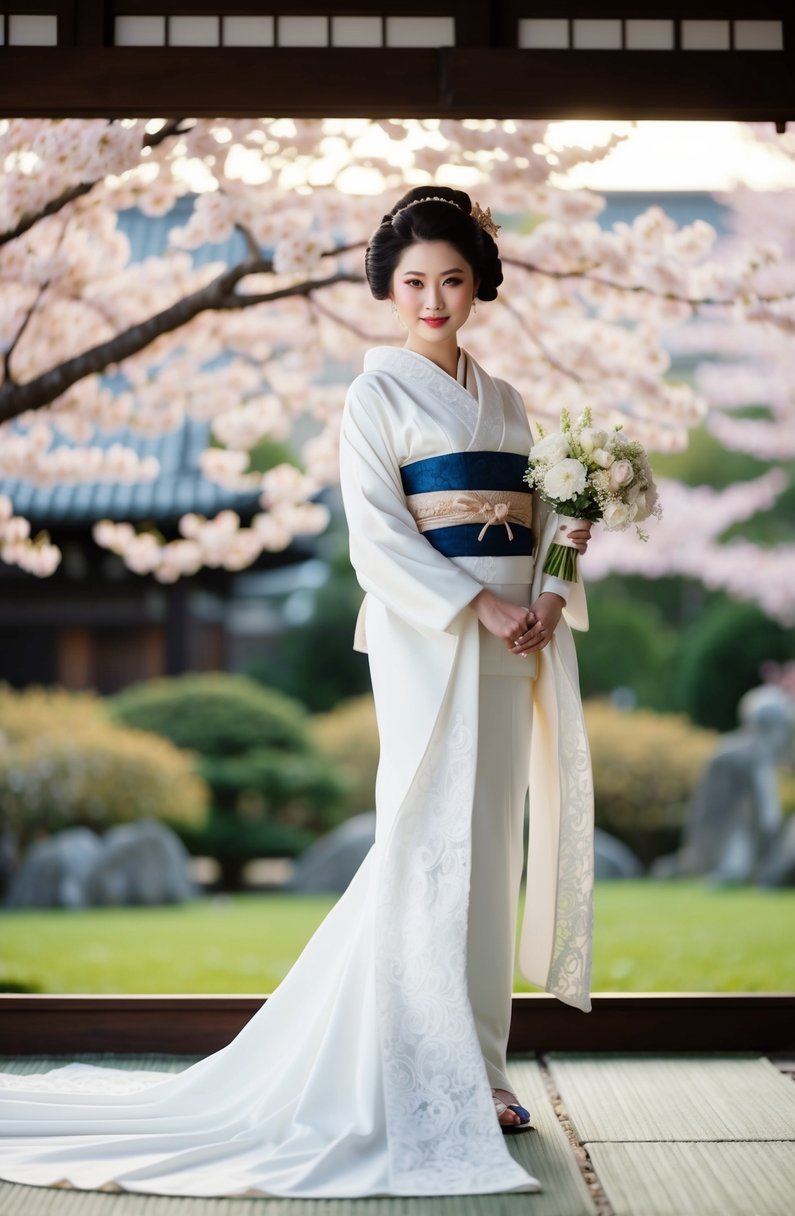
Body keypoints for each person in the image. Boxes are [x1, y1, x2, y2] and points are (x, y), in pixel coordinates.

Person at [0, 186, 594, 1200]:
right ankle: (423, 1064)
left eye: (453, 279)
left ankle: (482, 1069)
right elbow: (378, 535)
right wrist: (481, 606)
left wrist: (544, 589)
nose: (435, 299)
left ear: (478, 283)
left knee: (491, 849)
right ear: (389, 288)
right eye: (415, 282)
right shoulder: (374, 398)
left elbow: (543, 520)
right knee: (425, 841)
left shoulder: (509, 402)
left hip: (512, 641)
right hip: (431, 637)